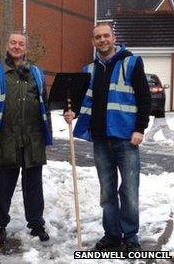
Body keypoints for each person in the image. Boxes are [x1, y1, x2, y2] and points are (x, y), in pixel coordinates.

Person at [64, 22, 151, 251]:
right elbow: (82, 100)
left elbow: (145, 99)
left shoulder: (131, 62)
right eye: (97, 37)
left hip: (126, 139)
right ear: (93, 42)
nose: (102, 40)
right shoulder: (89, 70)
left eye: (105, 36)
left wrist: (140, 128)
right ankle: (112, 236)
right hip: (100, 140)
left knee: (130, 192)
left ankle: (130, 238)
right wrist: (70, 112)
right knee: (107, 192)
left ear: (113, 38)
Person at [0, 32, 52, 244]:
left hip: (33, 137)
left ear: (26, 47)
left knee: (34, 184)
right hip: (7, 137)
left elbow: (45, 104)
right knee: (5, 184)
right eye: (13, 42)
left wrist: (47, 134)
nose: (17, 46)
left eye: (21, 43)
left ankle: (36, 224)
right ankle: (0, 224)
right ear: (7, 45)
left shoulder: (36, 73)